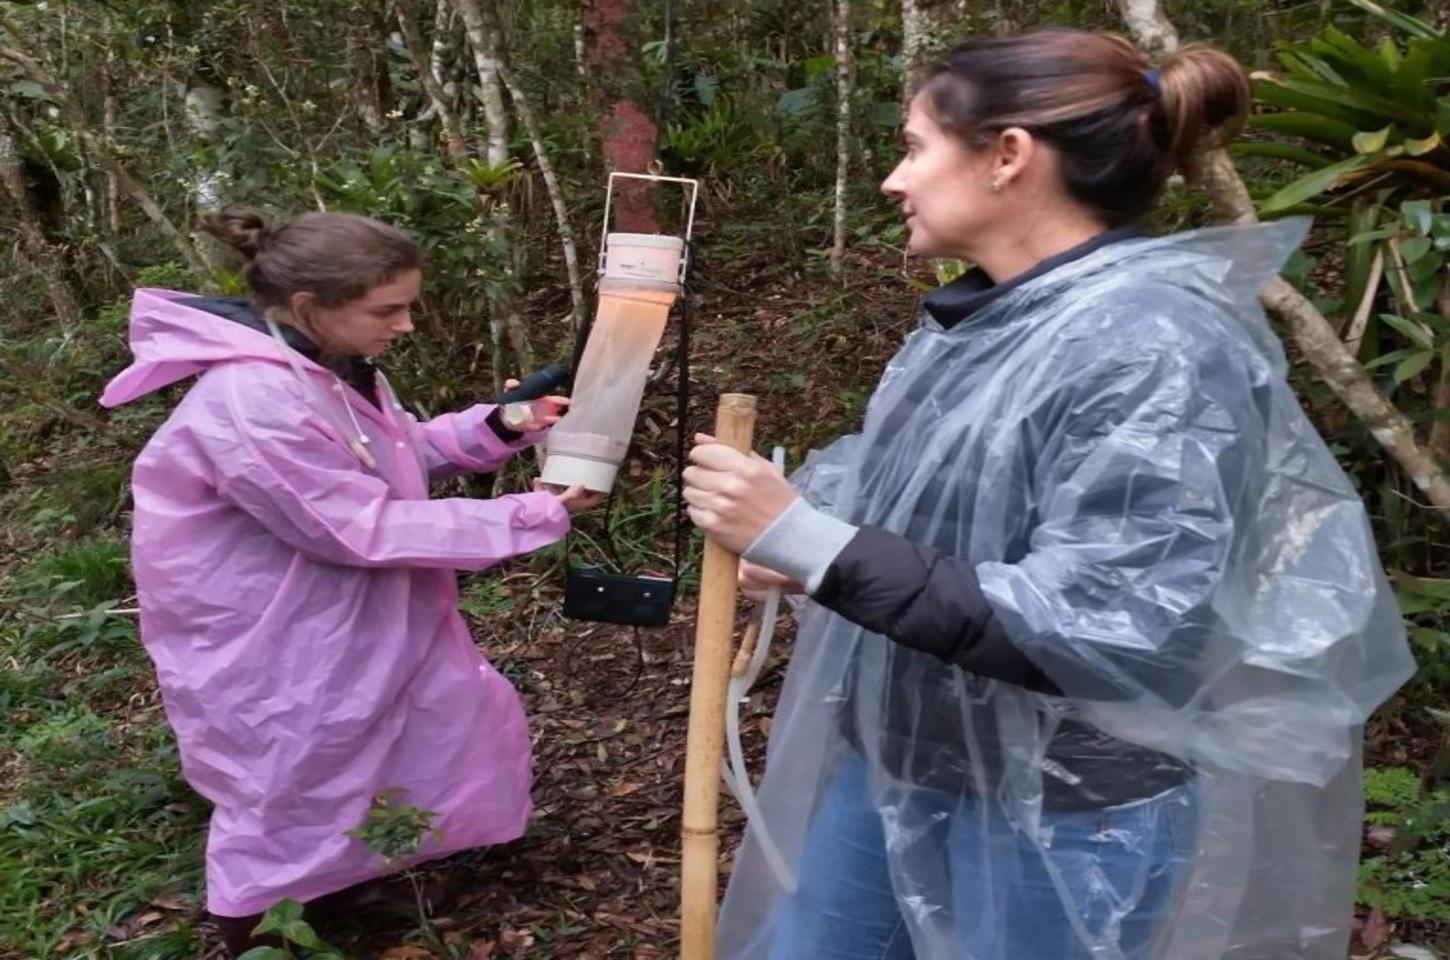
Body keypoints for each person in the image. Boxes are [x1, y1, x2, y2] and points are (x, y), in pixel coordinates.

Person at [684, 28, 1414, 960]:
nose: (892, 182)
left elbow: (1114, 622)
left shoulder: (1153, 344)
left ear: (1009, 156)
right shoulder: (987, 322)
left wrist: (818, 544)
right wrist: (804, 545)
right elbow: (946, 516)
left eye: (913, 147)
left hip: (1063, 811)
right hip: (900, 768)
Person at [100, 205, 599, 956]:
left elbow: (387, 457)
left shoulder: (325, 367)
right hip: (272, 628)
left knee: (436, 717)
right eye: (386, 310)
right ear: (310, 307)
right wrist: (531, 516)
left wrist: (496, 427)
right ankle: (258, 931)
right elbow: (355, 526)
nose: (404, 325)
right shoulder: (253, 401)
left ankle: (368, 865)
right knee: (295, 770)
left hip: (339, 610)